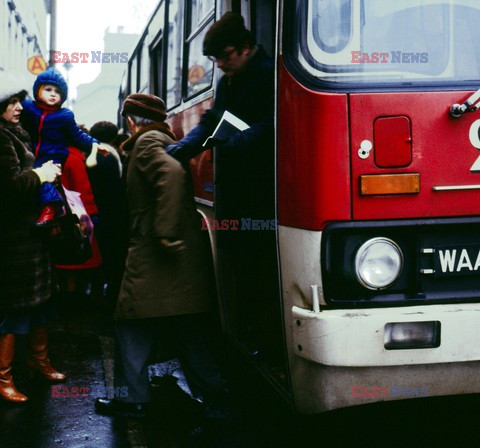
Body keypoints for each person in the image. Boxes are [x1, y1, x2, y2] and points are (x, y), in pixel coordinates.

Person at [95, 93, 227, 418]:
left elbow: (170, 175)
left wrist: (165, 231)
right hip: (170, 255)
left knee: (131, 320)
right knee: (185, 326)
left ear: (130, 120)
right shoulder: (160, 138)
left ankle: (132, 398)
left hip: (156, 252)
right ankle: (216, 396)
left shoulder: (147, 141)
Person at [166, 12, 280, 354]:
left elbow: (277, 119)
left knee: (261, 267)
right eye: (215, 60)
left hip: (264, 190)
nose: (220, 66)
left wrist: (240, 142)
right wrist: (183, 148)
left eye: (225, 56)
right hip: (236, 190)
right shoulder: (227, 82)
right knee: (239, 265)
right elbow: (212, 122)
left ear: (246, 48)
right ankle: (246, 336)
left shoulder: (270, 72)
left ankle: (267, 339)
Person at [0, 74, 66, 403]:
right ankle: (4, 377)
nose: (17, 107)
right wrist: (40, 174)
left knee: (41, 303)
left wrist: (46, 173)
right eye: (10, 103)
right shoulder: (1, 137)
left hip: (30, 236)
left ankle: (38, 361)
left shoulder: (16, 133)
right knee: (14, 308)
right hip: (13, 238)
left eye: (17, 102)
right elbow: (9, 187)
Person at [20, 67, 101, 227]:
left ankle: (52, 209)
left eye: (57, 92)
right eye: (48, 89)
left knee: (45, 178)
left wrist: (94, 144)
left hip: (53, 154)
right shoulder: (28, 107)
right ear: (38, 91)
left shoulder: (64, 116)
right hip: (31, 150)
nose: (53, 94)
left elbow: (77, 135)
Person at [87, 121, 128, 305]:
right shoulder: (110, 156)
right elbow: (114, 190)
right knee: (111, 255)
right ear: (113, 137)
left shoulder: (91, 153)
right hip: (110, 214)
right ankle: (109, 296)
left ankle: (97, 291)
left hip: (94, 211)